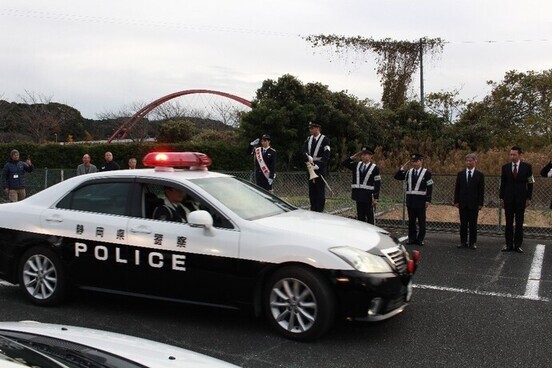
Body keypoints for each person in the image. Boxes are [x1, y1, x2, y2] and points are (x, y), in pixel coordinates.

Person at [500, 146, 534, 253]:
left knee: (519, 222)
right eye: (511, 154)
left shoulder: (527, 167)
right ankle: (508, 244)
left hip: (521, 199)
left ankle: (517, 244)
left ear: (519, 155)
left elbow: (530, 182)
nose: (512, 156)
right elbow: (503, 183)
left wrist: (528, 197)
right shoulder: (505, 167)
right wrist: (501, 197)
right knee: (508, 222)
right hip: (508, 198)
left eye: (514, 154)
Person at [394, 154, 433, 246]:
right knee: (411, 220)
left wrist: (428, 200)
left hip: (421, 200)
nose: (415, 163)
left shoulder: (426, 173)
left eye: (416, 161)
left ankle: (420, 239)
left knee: (421, 221)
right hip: (411, 200)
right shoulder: (408, 172)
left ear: (421, 162)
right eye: (413, 161)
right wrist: (401, 170)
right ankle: (411, 238)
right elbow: (397, 177)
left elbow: (430, 187)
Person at [341, 146, 381, 224]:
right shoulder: (356, 165)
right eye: (362, 154)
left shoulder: (375, 168)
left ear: (370, 156)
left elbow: (377, 183)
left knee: (370, 217)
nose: (363, 156)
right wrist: (352, 157)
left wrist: (376, 198)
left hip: (368, 196)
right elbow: (344, 163)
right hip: (358, 195)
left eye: (366, 154)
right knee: (360, 217)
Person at [453, 153, 485, 250]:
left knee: (473, 224)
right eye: (467, 161)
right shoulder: (461, 174)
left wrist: (480, 203)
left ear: (475, 161)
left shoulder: (480, 175)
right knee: (463, 224)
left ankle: (472, 242)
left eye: (470, 160)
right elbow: (457, 188)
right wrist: (456, 201)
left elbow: (481, 190)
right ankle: (463, 242)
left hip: (474, 203)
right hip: (462, 203)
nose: (468, 162)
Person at [302, 121, 331, 212]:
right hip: (310, 166)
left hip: (319, 168)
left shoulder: (325, 139)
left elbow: (327, 154)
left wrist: (319, 165)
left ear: (318, 128)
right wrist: (307, 155)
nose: (310, 130)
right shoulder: (308, 139)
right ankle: (313, 208)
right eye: (310, 128)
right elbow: (303, 149)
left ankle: (319, 210)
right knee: (312, 191)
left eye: (312, 128)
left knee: (320, 191)